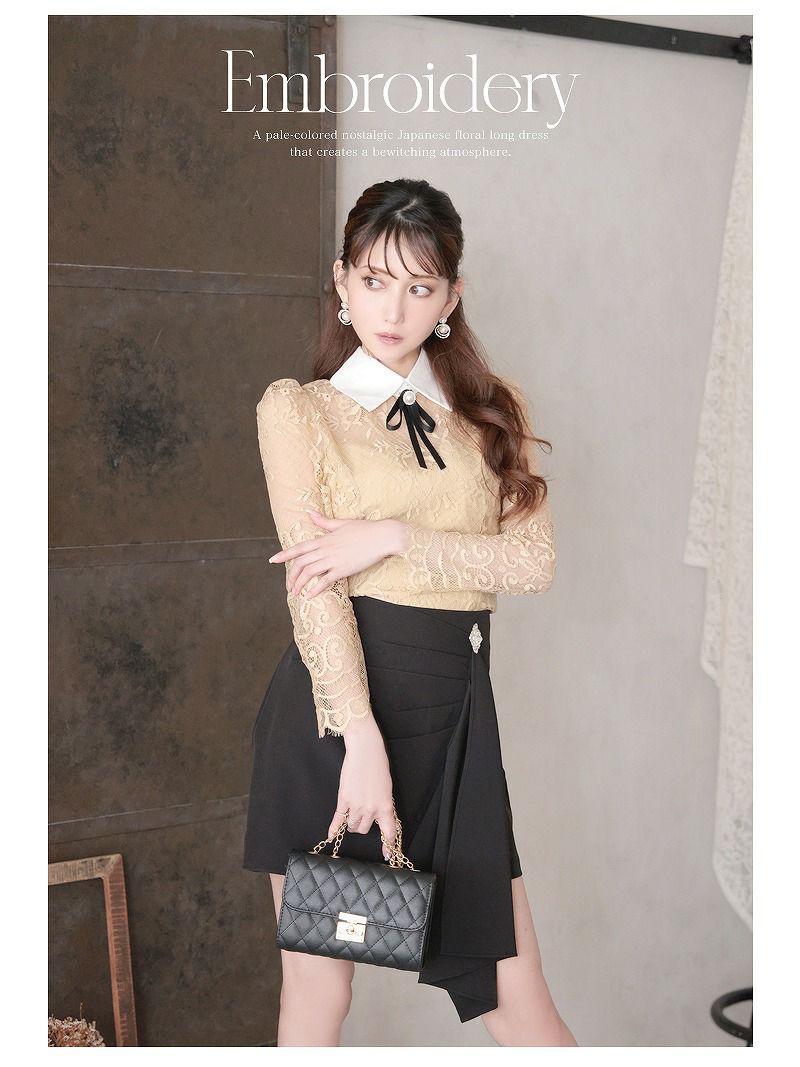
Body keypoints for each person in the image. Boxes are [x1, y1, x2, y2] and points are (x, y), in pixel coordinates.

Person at [242, 177, 577, 1047]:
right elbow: (314, 590)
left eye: (420, 287)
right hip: (335, 725)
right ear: (342, 282)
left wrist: (392, 536)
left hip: (455, 720)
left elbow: (531, 563)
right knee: (319, 997)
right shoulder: (300, 410)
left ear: (451, 297)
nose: (394, 310)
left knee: (518, 999)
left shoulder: (491, 413)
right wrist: (360, 741)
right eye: (375, 280)